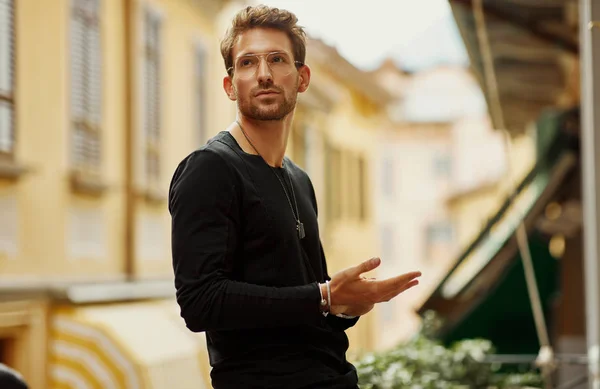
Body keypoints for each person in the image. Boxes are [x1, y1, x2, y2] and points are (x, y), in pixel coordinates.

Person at [168, 5, 421, 389]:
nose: (264, 74)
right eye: (248, 63)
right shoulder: (209, 168)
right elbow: (200, 301)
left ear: (302, 78)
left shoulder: (299, 179)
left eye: (276, 59)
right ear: (230, 85)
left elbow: (305, 298)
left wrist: (345, 305)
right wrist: (323, 296)